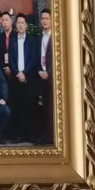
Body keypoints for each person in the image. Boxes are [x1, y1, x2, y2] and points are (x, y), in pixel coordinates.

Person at [9, 13, 38, 143]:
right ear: (16, 25)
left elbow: (33, 59)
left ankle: (29, 134)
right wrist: (17, 73)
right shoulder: (13, 40)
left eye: (22, 23)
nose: (20, 25)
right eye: (18, 23)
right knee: (17, 106)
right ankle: (18, 135)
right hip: (16, 78)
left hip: (28, 78)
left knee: (29, 106)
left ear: (26, 25)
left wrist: (24, 73)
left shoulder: (32, 40)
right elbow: (11, 59)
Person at [36, 8, 53, 144]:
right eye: (43, 19)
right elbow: (37, 58)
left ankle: (53, 136)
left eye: (47, 18)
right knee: (44, 108)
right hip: (41, 77)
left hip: (52, 79)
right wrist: (39, 71)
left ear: (52, 20)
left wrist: (50, 73)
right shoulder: (39, 38)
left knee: (52, 108)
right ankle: (45, 136)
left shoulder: (56, 37)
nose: (45, 21)